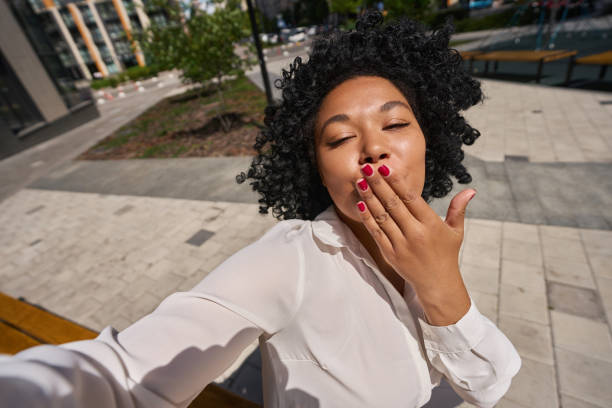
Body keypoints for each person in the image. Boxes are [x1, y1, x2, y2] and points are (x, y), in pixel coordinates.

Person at [0, 10, 521, 408]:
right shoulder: (290, 260)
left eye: (395, 124)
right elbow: (124, 375)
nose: (373, 149)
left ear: (429, 139)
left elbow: (490, 384)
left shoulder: (428, 246)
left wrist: (439, 284)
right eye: (339, 137)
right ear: (316, 166)